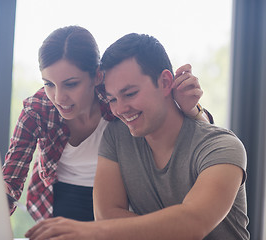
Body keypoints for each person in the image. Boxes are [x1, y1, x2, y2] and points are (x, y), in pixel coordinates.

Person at [24, 33, 249, 240]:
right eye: (112, 99)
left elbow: (193, 223)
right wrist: (170, 227)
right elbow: (107, 216)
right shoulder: (116, 136)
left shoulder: (221, 147)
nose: (120, 109)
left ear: (165, 82)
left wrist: (87, 230)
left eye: (130, 94)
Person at [2, 26, 211, 224]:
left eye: (71, 84)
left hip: (120, 202)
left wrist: (191, 109)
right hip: (56, 201)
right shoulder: (37, 110)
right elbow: (10, 180)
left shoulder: (117, 97)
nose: (58, 98)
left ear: (97, 76)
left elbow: (192, 131)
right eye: (48, 84)